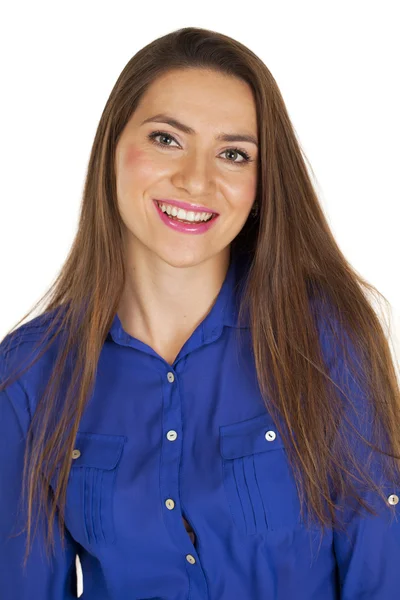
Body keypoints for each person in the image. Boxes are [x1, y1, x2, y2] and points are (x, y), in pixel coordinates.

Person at [1, 26, 400, 600]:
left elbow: (382, 571)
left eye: (234, 154)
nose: (196, 179)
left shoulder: (325, 336)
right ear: (112, 149)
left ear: (261, 185)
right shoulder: (28, 374)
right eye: (167, 139)